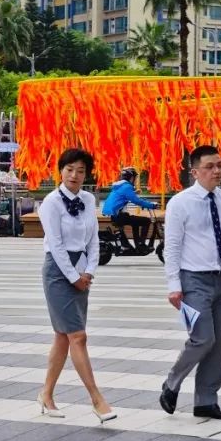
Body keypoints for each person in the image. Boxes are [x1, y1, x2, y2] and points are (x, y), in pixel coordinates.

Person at [158, 146, 221, 421]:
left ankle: (206, 401)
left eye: (219, 165)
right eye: (210, 167)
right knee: (203, 338)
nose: (217, 171)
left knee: (217, 342)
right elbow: (172, 247)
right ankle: (172, 382)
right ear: (195, 172)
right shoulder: (180, 203)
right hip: (192, 280)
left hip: (218, 280)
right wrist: (173, 285)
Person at [37, 149, 116, 423]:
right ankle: (97, 400)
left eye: (80, 171)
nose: (74, 175)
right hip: (59, 272)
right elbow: (56, 245)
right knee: (78, 336)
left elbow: (93, 239)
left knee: (64, 336)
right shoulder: (50, 203)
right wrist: (73, 277)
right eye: (69, 169)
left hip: (82, 269)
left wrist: (90, 271)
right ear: (60, 170)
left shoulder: (88, 199)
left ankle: (46, 394)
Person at [101, 167, 157, 251]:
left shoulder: (120, 186)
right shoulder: (126, 187)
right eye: (134, 178)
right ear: (131, 178)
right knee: (146, 221)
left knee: (135, 222)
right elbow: (136, 200)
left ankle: (138, 245)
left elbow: (124, 196)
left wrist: (134, 193)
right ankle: (141, 244)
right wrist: (152, 206)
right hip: (120, 216)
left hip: (115, 215)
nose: (135, 180)